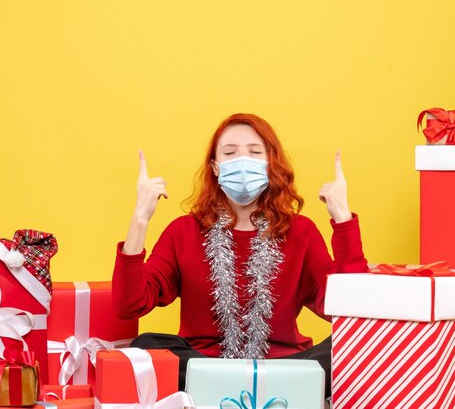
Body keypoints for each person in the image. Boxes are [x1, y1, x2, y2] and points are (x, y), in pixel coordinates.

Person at [112, 113, 368, 395]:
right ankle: (252, 390)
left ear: (271, 163)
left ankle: (239, 389)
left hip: (284, 366)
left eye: (255, 152)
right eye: (230, 153)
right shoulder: (183, 231)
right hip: (205, 366)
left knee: (354, 343)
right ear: (216, 167)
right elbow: (129, 305)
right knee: (146, 345)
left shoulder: (301, 231)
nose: (242, 161)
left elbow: (352, 310)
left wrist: (343, 219)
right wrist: (140, 218)